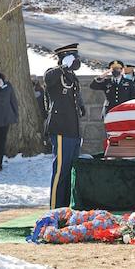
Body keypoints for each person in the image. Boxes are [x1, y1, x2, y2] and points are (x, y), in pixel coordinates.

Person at [44, 43, 85, 208]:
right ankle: (55, 208)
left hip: (73, 131)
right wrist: (62, 66)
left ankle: (66, 207)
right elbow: (48, 79)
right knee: (60, 171)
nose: (77, 60)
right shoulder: (55, 73)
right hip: (61, 129)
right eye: (74, 57)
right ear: (66, 57)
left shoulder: (71, 76)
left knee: (70, 172)